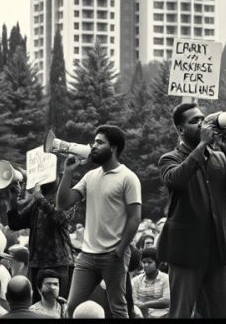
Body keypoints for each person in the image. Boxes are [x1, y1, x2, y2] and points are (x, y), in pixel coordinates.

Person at [157, 102, 226, 318]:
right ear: (180, 130)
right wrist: (201, 146)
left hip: (219, 249)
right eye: (194, 121)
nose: (202, 124)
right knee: (181, 312)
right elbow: (177, 181)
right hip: (185, 250)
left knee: (225, 312)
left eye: (203, 119)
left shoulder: (220, 157)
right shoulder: (169, 159)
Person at [57, 124, 141, 318]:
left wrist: (120, 251)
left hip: (114, 255)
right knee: (71, 308)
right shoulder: (90, 176)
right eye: (94, 141)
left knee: (118, 309)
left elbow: (135, 218)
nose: (93, 146)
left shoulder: (128, 178)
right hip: (87, 256)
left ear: (113, 148)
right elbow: (63, 203)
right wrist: (67, 172)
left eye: (99, 142)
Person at [7, 176, 74, 301]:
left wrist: (40, 199)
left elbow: (60, 219)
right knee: (37, 305)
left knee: (58, 304)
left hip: (58, 263)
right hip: (36, 264)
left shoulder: (65, 200)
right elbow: (14, 224)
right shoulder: (35, 203)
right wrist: (13, 199)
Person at [131, 247, 170, 318]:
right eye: (143, 262)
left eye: (149, 262)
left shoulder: (166, 278)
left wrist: (144, 305)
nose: (146, 265)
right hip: (141, 315)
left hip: (163, 315)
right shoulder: (136, 280)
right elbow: (134, 301)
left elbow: (167, 301)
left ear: (157, 263)